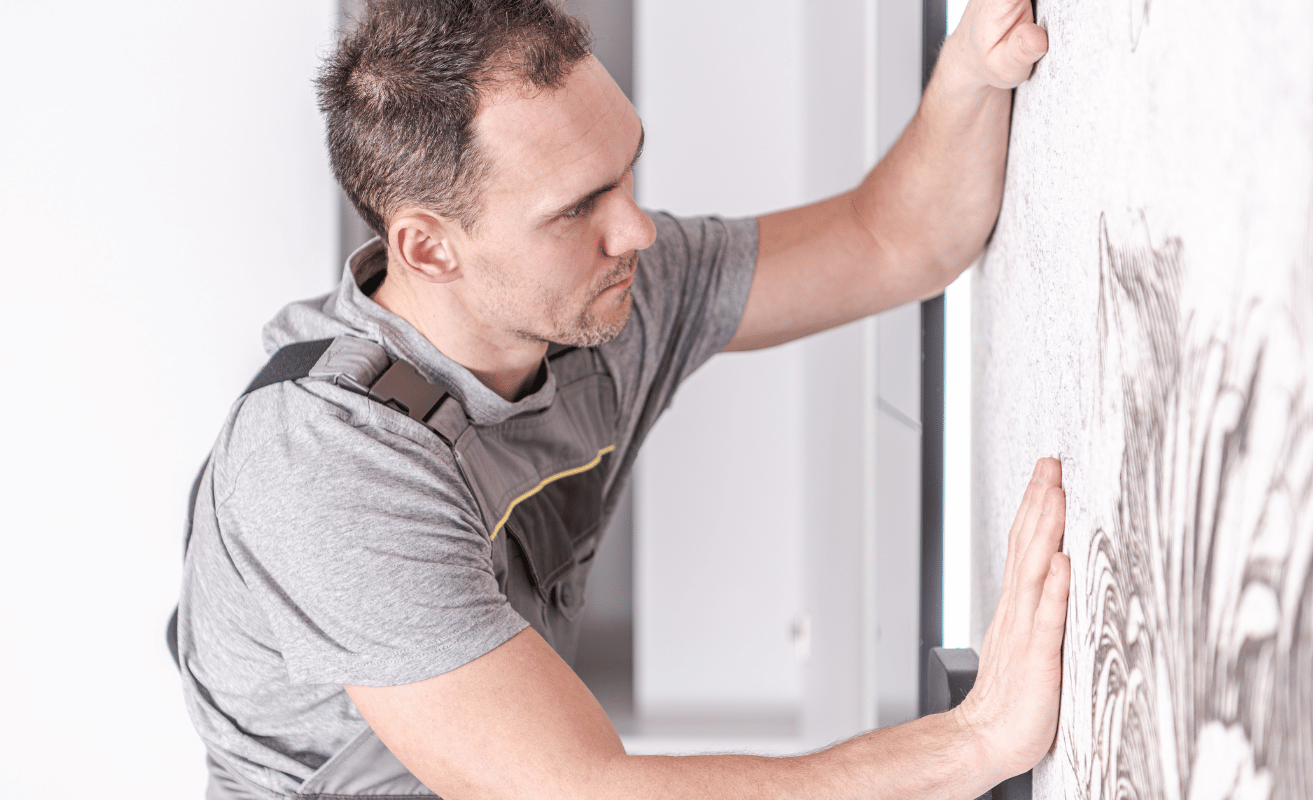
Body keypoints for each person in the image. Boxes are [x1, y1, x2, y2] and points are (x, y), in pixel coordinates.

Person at [172, 0, 1071, 798]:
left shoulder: (598, 294)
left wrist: (970, 72)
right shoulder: (329, 473)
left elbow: (891, 240)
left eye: (627, 169)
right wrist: (976, 741)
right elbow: (582, 792)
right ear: (430, 249)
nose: (636, 228)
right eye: (576, 209)